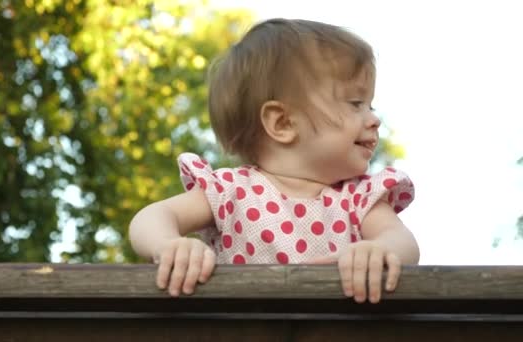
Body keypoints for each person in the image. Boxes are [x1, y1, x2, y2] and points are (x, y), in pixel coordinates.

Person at [129, 18, 419, 304]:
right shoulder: (231, 191)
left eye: (370, 105)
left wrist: (379, 250)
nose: (374, 120)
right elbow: (151, 217)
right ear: (282, 123)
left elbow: (401, 240)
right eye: (356, 104)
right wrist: (169, 245)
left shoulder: (359, 197)